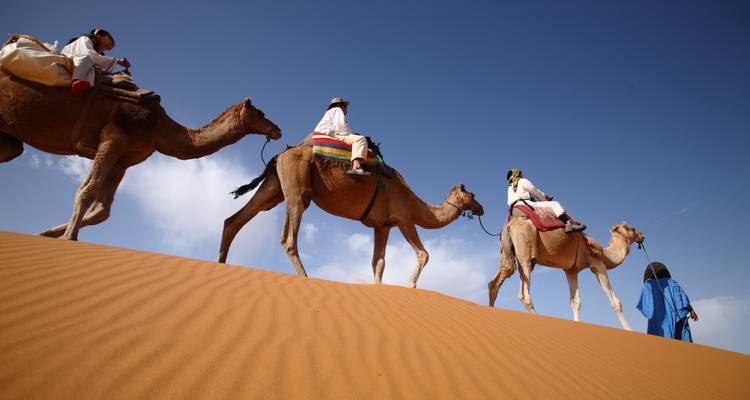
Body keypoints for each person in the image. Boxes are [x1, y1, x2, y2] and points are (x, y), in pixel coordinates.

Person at [506, 168, 586, 232]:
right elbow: (536, 192)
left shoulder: (509, 188)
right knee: (555, 204)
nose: (521, 174)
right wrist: (545, 198)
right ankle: (569, 223)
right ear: (517, 174)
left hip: (513, 211)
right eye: (520, 173)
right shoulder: (523, 181)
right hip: (524, 206)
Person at [637, 262, 698, 342]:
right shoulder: (672, 283)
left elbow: (645, 305)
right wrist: (691, 310)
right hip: (676, 318)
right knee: (682, 340)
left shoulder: (649, 285)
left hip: (658, 319)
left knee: (657, 339)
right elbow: (682, 298)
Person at [61, 28, 130, 97]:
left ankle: (83, 88)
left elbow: (96, 59)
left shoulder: (95, 50)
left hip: (80, 65)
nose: (112, 41)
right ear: (98, 35)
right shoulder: (85, 39)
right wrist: (118, 61)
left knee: (94, 70)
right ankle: (75, 81)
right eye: (109, 37)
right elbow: (92, 56)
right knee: (86, 57)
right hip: (69, 60)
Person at [313, 97, 370, 176]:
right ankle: (356, 166)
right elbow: (340, 126)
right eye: (345, 106)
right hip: (332, 133)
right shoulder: (337, 109)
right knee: (360, 139)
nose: (346, 109)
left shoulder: (330, 112)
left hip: (324, 132)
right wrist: (352, 134)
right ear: (340, 105)